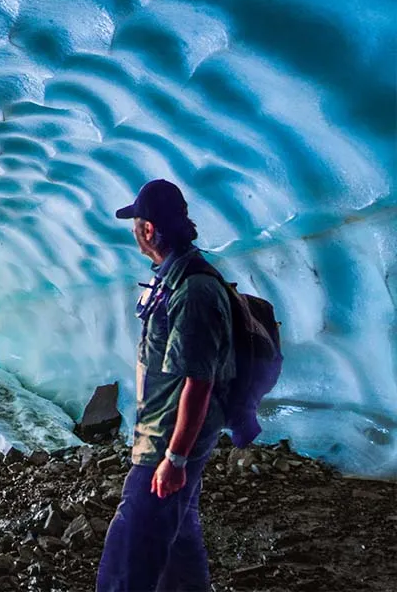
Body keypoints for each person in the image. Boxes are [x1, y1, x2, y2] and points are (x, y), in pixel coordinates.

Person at [96, 179, 236, 592]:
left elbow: (198, 379)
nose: (134, 231)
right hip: (164, 436)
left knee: (129, 551)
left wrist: (174, 457)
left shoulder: (193, 290)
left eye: (135, 222)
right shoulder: (172, 280)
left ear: (149, 230)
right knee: (180, 542)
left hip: (169, 443)